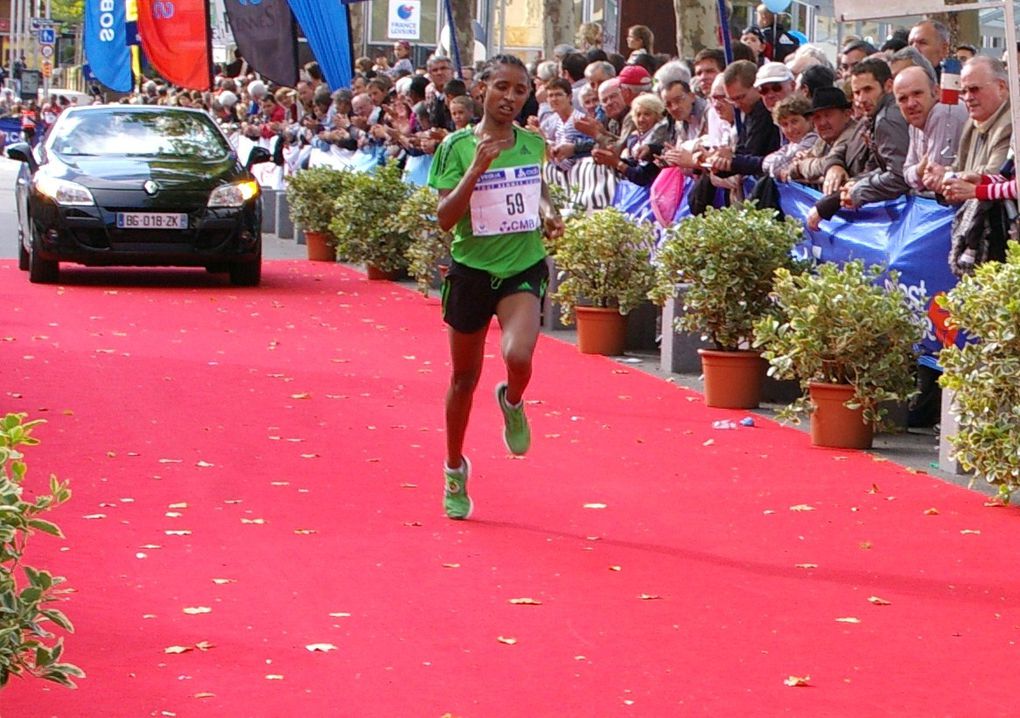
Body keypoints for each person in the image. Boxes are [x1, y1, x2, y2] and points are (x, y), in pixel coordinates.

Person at [427, 54, 565, 520]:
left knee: (519, 356)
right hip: (469, 270)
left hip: (521, 266)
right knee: (463, 379)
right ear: (482, 88)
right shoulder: (456, 147)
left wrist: (547, 210)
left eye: (520, 90)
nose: (510, 97)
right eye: (502, 87)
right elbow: (445, 218)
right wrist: (476, 170)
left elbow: (535, 188)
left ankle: (512, 400)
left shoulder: (531, 144)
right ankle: (453, 467)